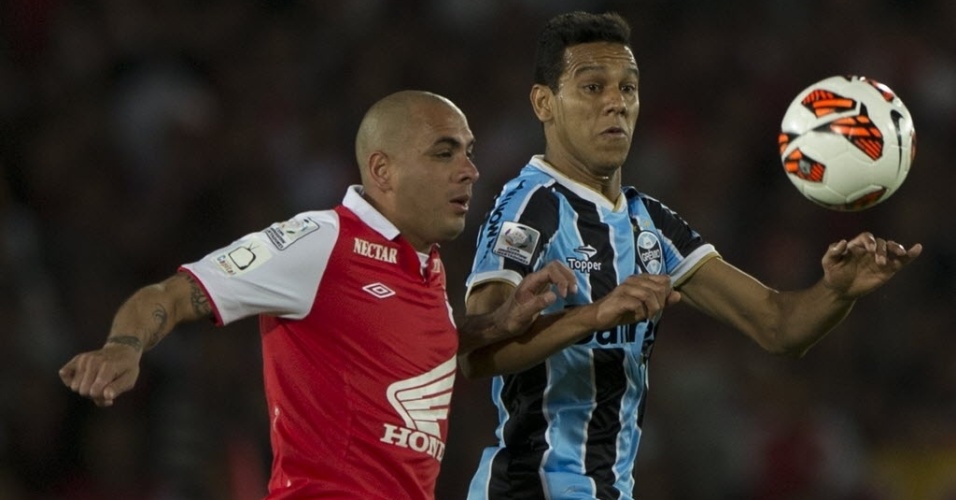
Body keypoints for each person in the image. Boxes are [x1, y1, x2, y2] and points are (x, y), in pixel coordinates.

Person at [458, 12, 922, 500]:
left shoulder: (650, 223)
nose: (616, 103)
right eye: (593, 87)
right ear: (544, 103)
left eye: (628, 88)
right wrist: (593, 316)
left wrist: (836, 292)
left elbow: (778, 325)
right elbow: (477, 353)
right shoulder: (530, 206)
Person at [59, 90, 577, 500]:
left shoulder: (425, 266)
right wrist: (123, 345)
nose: (469, 169)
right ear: (382, 171)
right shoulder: (320, 240)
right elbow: (174, 293)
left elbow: (406, 346)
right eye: (444, 153)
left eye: (469, 153)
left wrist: (497, 324)